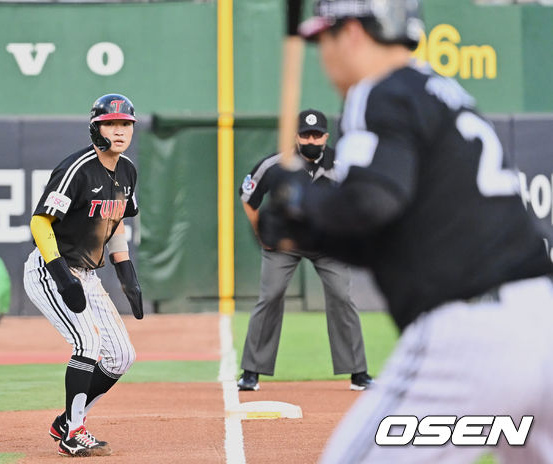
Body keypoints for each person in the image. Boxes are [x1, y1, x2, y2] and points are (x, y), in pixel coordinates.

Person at [259, 1, 553, 462]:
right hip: (542, 320)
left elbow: (370, 203)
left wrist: (299, 199)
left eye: (324, 39)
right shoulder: (439, 91)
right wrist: (307, 229)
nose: (322, 54)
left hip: (471, 335)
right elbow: (387, 230)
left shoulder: (376, 92)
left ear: (352, 33)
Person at [23, 94, 144, 458]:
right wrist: (61, 276)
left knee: (122, 357)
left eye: (126, 125)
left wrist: (126, 271)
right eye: (112, 123)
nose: (120, 131)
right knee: (87, 346)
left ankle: (66, 419)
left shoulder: (127, 171)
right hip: (51, 270)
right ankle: (73, 433)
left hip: (88, 275)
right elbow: (40, 221)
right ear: (96, 127)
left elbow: (116, 220)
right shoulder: (77, 168)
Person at [237, 109, 372, 392]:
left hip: (326, 243)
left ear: (326, 136)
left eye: (317, 134)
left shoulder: (343, 164)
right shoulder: (277, 164)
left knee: (341, 296)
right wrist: (261, 234)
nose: (311, 139)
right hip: (285, 243)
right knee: (270, 295)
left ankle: (358, 373)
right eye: (305, 134)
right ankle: (252, 371)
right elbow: (248, 196)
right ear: (296, 136)